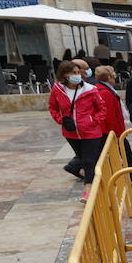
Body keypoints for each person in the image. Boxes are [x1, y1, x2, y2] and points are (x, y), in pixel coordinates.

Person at [47, 58, 107, 200]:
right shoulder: (58, 90)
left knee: (88, 161)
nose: (77, 75)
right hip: (71, 132)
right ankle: (94, 180)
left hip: (91, 132)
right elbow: (53, 107)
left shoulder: (90, 90)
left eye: (78, 72)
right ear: (64, 75)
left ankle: (88, 192)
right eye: (73, 73)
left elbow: (101, 108)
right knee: (82, 158)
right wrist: (61, 120)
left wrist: (93, 120)